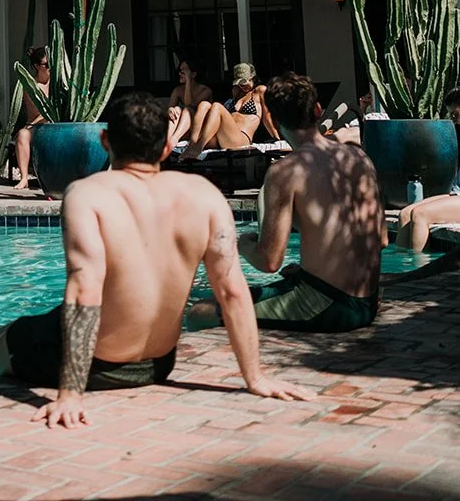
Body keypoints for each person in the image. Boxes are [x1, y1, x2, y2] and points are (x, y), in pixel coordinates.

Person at [0, 92, 311, 428]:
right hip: (159, 364)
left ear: (105, 141)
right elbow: (233, 293)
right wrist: (255, 378)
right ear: (166, 148)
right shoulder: (205, 196)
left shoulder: (88, 193)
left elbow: (84, 291)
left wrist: (70, 395)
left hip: (98, 366)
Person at [233, 72, 385, 331]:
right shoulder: (359, 159)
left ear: (274, 120)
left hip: (328, 306)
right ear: (317, 110)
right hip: (368, 302)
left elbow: (269, 262)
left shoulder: (285, 172)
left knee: (210, 309)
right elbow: (381, 239)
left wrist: (242, 244)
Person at [396, 87, 460, 253]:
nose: (453, 120)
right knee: (404, 214)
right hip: (456, 194)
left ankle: (418, 275)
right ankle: (403, 271)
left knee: (420, 215)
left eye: (456, 114)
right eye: (451, 115)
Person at [181, 62, 278, 161]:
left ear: (253, 78)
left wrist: (276, 138)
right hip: (219, 137)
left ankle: (198, 147)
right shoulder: (236, 91)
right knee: (204, 105)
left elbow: (267, 117)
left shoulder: (259, 91)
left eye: (244, 82)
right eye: (239, 83)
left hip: (240, 139)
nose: (242, 85)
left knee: (217, 106)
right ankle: (192, 144)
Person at [13, 46, 50, 190]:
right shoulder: (32, 87)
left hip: (57, 124)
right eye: (46, 65)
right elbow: (39, 113)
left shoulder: (60, 84)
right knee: (23, 134)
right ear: (36, 66)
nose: (49, 68)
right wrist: (29, 126)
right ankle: (24, 178)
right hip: (37, 125)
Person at [167, 57, 213, 147]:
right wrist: (170, 110)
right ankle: (167, 141)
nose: (180, 74)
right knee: (176, 109)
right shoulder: (178, 90)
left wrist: (188, 82)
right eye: (179, 70)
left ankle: (174, 139)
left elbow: (189, 105)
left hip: (199, 131)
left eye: (183, 71)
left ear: (193, 74)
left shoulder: (205, 90)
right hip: (184, 129)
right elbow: (169, 108)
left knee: (188, 110)